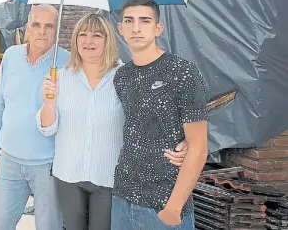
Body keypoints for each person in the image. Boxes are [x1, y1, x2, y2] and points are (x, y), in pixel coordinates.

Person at [36, 13, 188, 230]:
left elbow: (153, 118)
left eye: (97, 35)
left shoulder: (126, 76)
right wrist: (48, 101)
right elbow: (47, 129)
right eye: (83, 34)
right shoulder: (61, 77)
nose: (88, 41)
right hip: (68, 174)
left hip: (109, 178)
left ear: (108, 40)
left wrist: (183, 141)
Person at [111, 0, 209, 229]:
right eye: (129, 21)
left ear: (158, 28)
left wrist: (173, 209)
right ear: (120, 28)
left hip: (164, 204)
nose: (136, 28)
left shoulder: (182, 72)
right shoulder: (122, 77)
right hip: (123, 198)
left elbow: (199, 147)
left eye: (145, 21)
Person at [0, 4, 69, 230]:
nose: (42, 31)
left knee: (49, 227)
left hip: (48, 166)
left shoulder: (67, 62)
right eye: (36, 25)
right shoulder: (11, 57)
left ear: (56, 30)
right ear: (27, 29)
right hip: (10, 161)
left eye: (49, 26)